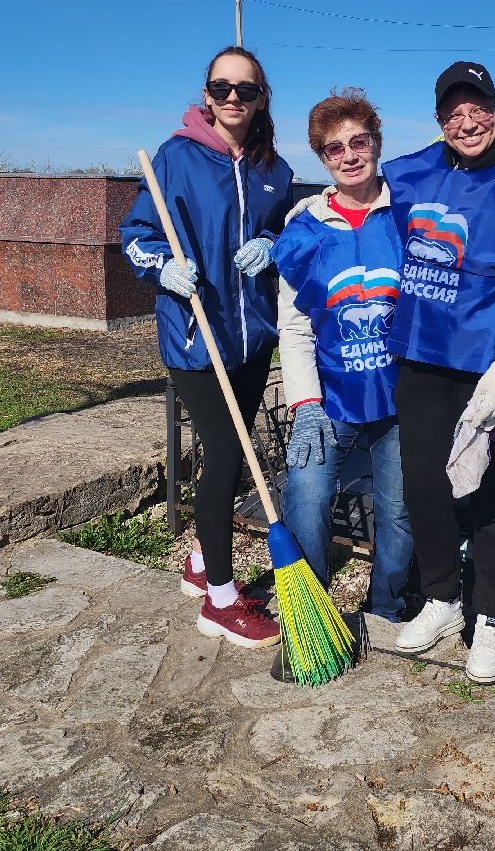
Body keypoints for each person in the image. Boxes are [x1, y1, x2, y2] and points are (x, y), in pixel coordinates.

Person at [120, 46, 293, 648]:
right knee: (223, 455)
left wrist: (272, 243)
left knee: (236, 454)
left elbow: (281, 227)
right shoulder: (176, 158)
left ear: (261, 97)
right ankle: (220, 596)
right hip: (197, 338)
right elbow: (136, 236)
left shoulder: (275, 167)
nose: (233, 100)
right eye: (223, 88)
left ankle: (199, 557)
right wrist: (163, 265)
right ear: (207, 93)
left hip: (251, 339)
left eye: (246, 90)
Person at [383, 61, 495, 684]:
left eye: (477, 108)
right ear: (439, 122)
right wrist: (318, 205)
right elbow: (366, 196)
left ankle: (491, 619)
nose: (466, 121)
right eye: (453, 113)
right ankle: (442, 598)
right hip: (423, 355)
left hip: (487, 366)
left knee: (493, 497)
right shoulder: (423, 168)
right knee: (425, 485)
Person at [273, 88, 412, 631]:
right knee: (306, 496)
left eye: (360, 142)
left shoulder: (406, 214)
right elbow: (295, 324)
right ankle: (309, 613)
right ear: (322, 158)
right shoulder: (304, 228)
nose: (350, 155)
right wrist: (305, 401)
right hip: (330, 395)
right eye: (335, 149)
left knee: (397, 509)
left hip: (400, 395)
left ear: (376, 143)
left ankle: (385, 609)